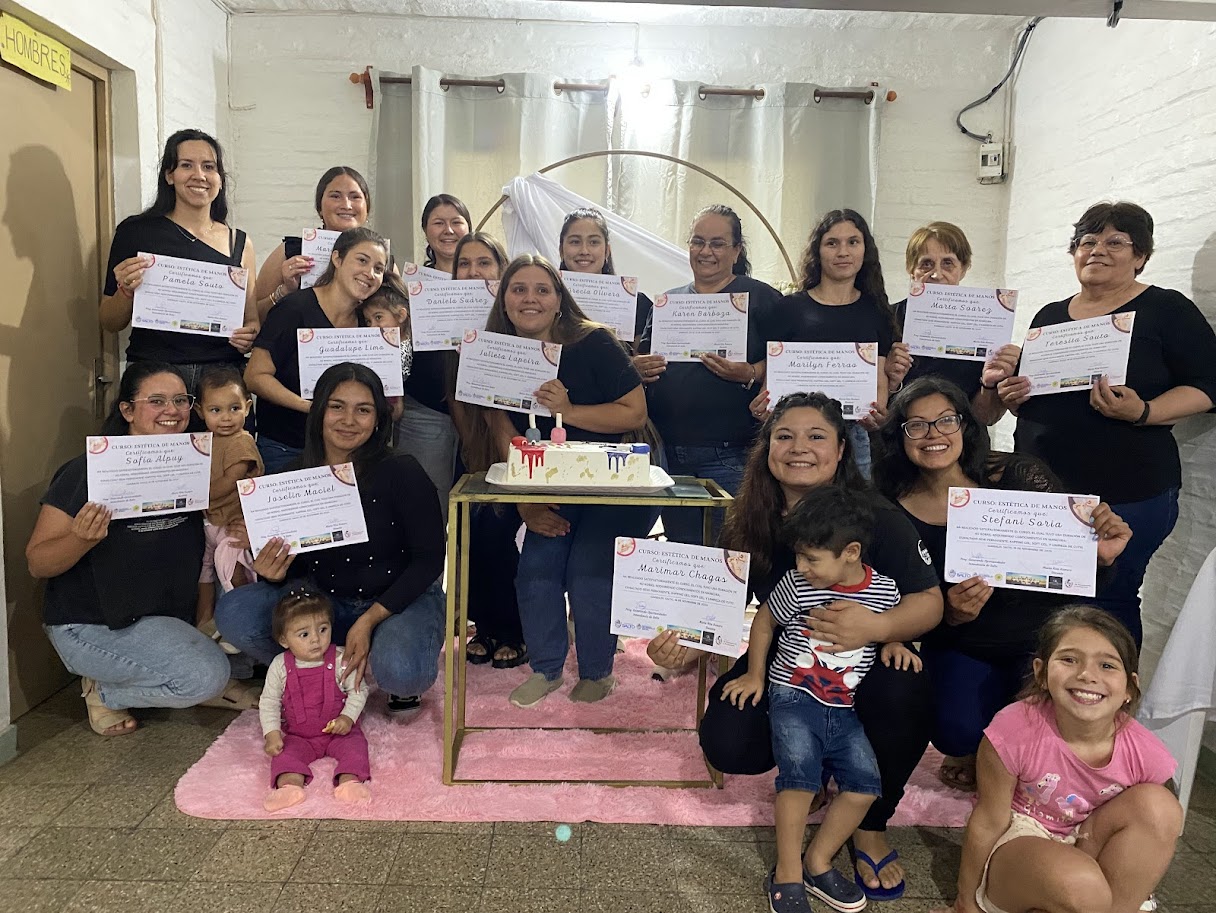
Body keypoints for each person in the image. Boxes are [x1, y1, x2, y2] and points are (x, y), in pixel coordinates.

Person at [648, 391, 943, 899]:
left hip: (864, 659)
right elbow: (722, 597)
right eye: (784, 435)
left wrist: (876, 629)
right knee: (729, 741)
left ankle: (870, 822)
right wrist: (683, 641)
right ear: (766, 447)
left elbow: (930, 602)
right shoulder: (751, 516)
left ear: (842, 450)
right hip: (789, 660)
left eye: (816, 436)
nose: (798, 447)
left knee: (904, 690)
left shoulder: (875, 517)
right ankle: (817, 770)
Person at [874, 376, 1132, 792]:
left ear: (966, 425)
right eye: (916, 425)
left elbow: (1078, 576)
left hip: (1042, 638)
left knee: (1056, 733)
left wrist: (1101, 558)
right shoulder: (890, 508)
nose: (933, 435)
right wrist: (950, 613)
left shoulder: (1016, 473)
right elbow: (895, 601)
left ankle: (1023, 752)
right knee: (954, 732)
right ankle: (981, 746)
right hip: (963, 641)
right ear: (899, 437)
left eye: (945, 421)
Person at [998, 201, 1216, 646]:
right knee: (1045, 603)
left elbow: (1210, 385)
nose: (1098, 249)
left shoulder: (1165, 309)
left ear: (1140, 256)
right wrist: (1015, 396)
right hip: (1046, 491)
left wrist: (1145, 411)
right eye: (1087, 241)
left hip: (1130, 489)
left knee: (1108, 602)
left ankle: (1109, 707)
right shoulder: (1050, 315)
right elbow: (1045, 400)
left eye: (1116, 242)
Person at [465, 254, 651, 707]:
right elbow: (501, 433)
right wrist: (526, 504)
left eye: (542, 289)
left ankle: (597, 671)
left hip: (616, 485)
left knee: (589, 573)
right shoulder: (494, 353)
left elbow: (635, 413)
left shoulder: (596, 343)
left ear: (559, 299)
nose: (530, 298)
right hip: (548, 488)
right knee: (536, 570)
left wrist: (565, 410)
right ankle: (547, 668)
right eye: (518, 289)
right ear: (503, 300)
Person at [722, 486, 917, 913]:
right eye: (798, 557)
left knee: (865, 787)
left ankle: (817, 860)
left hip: (844, 706)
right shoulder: (796, 584)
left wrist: (897, 642)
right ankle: (787, 870)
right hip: (792, 696)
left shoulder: (883, 591)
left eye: (811, 558)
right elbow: (765, 624)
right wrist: (756, 674)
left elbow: (893, 626)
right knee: (798, 780)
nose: (801, 567)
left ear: (851, 552)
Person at [215, 362, 446, 715]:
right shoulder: (294, 476)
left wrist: (368, 622)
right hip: (325, 600)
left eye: (363, 410)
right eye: (337, 406)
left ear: (379, 419)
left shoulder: (403, 471)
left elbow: (429, 560)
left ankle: (381, 656)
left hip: (396, 599)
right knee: (236, 612)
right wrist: (273, 572)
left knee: (402, 673)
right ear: (319, 410)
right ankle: (317, 668)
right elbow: (294, 570)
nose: (348, 420)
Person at [26, 362, 236, 736]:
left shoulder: (188, 467)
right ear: (127, 410)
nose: (172, 411)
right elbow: (37, 562)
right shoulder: (87, 471)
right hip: (91, 624)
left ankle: (170, 668)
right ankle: (104, 692)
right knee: (207, 676)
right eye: (156, 401)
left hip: (157, 618)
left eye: (180, 400)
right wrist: (81, 538)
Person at [931, 606, 1181, 913]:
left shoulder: (1144, 749)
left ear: (1129, 688)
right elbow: (988, 820)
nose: (1087, 675)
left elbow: (1157, 828)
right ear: (1041, 673)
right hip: (1020, 838)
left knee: (1162, 807)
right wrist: (965, 901)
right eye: (1069, 659)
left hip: (1086, 837)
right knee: (1083, 886)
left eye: (1107, 665)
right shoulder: (1014, 729)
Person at [636, 204, 781, 544]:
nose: (706, 252)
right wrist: (637, 367)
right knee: (685, 553)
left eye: (717, 243)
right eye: (698, 241)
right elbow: (640, 360)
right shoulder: (669, 302)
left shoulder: (762, 299)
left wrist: (751, 371)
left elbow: (791, 360)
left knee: (730, 554)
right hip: (668, 451)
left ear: (736, 250)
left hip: (731, 452)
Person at [100, 129, 258, 395]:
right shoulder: (136, 232)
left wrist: (248, 337)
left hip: (221, 380)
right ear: (169, 175)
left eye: (209, 167)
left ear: (220, 179)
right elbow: (109, 321)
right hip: (154, 376)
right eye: (187, 165)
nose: (200, 175)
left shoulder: (239, 243)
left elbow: (251, 320)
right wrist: (126, 291)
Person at [758, 209, 895, 479]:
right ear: (818, 252)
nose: (843, 252)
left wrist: (878, 411)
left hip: (855, 436)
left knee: (852, 516)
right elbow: (771, 376)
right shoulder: (789, 308)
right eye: (832, 243)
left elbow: (880, 382)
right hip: (796, 437)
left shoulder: (877, 311)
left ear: (865, 250)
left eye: (853, 242)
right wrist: (764, 406)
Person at [444, 233, 527, 669]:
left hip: (520, 451)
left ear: (502, 270)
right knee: (471, 531)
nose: (473, 273)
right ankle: (486, 626)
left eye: (485, 263)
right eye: (464, 264)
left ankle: (514, 628)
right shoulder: (448, 326)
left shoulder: (519, 319)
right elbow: (458, 401)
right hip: (475, 450)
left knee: (498, 533)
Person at [246, 227, 388, 473]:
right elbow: (255, 377)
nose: (369, 273)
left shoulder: (368, 323)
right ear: (337, 258)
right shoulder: (294, 309)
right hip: (287, 447)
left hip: (347, 453)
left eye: (378, 269)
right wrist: (311, 407)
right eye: (362, 260)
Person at [886, 222, 1018, 425]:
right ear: (911, 269)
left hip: (963, 444)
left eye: (948, 263)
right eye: (926, 264)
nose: (937, 274)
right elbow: (870, 412)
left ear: (963, 269)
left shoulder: (987, 324)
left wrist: (990, 384)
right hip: (897, 439)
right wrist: (888, 380)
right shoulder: (887, 319)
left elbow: (985, 419)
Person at [260, 587, 371, 812]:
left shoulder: (340, 658)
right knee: (285, 757)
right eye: (304, 634)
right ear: (284, 640)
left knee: (356, 749)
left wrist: (347, 718)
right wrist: (271, 734)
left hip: (339, 732)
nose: (316, 640)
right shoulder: (280, 666)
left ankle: (350, 782)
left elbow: (359, 691)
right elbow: (269, 701)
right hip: (299, 735)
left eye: (323, 629)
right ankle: (289, 787)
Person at [396, 195, 474, 504]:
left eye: (456, 222)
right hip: (425, 409)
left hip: (480, 411)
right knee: (426, 502)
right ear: (425, 230)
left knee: (477, 506)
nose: (448, 230)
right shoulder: (408, 285)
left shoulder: (493, 281)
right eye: (438, 223)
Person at [254, 166, 372, 320]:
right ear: (320, 208)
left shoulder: (382, 261)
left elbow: (404, 323)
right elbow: (252, 318)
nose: (346, 205)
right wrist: (285, 290)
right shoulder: (291, 252)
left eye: (355, 197)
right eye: (335, 196)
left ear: (367, 207)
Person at [196, 365, 263, 595]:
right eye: (215, 410)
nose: (226, 418)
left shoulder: (241, 441)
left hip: (232, 522)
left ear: (247, 407)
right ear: (200, 411)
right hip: (211, 519)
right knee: (204, 569)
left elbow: (230, 481)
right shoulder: (206, 441)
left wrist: (194, 497)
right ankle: (205, 618)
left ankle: (241, 605)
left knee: (232, 567)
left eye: (234, 408)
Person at [557, 207, 653, 349]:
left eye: (594, 242)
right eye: (575, 242)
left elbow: (645, 361)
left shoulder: (637, 305)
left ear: (607, 251)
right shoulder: (547, 302)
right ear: (561, 251)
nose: (584, 251)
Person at [359, 275, 413, 424]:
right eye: (368, 321)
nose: (373, 326)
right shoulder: (375, 347)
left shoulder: (408, 345)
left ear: (401, 315)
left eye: (378, 317)